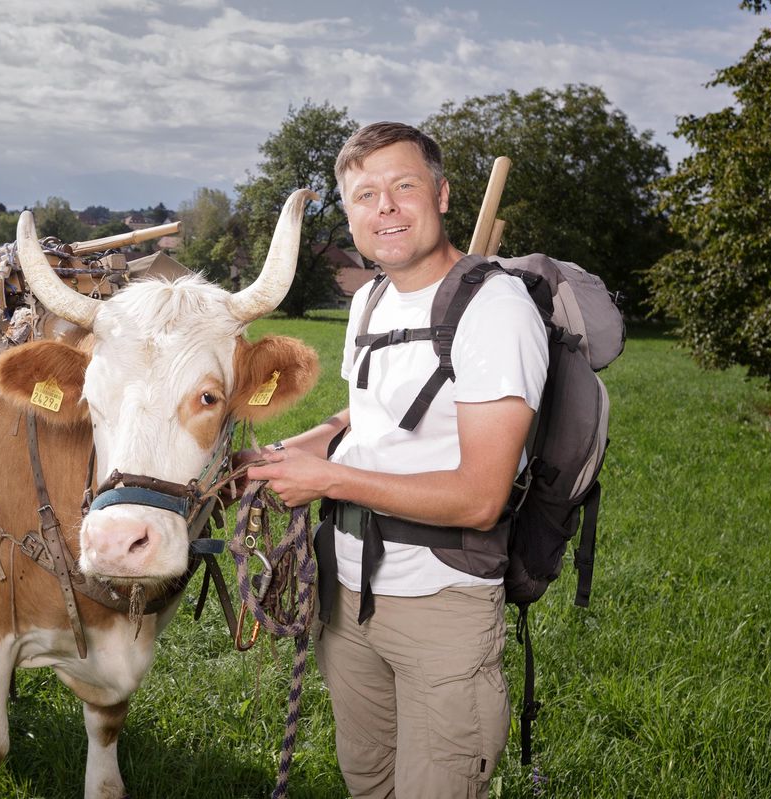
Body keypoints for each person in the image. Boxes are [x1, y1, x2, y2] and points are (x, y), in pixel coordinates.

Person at [244, 122, 549, 798]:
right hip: (346, 598)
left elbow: (480, 495)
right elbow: (370, 414)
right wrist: (298, 448)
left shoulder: (496, 312)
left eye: (402, 186)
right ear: (350, 214)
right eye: (364, 194)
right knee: (369, 782)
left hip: (442, 602)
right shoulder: (369, 301)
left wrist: (326, 479)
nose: (384, 206)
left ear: (440, 196)